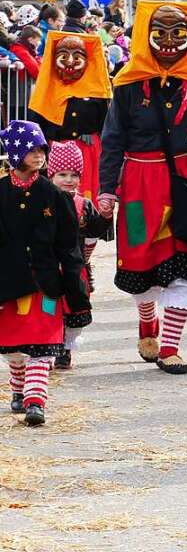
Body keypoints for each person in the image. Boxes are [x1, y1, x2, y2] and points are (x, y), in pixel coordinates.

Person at [97, 1, 187, 376]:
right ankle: (147, 322)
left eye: (179, 33)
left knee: (183, 267)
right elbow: (112, 140)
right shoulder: (127, 83)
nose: (170, 41)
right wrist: (106, 190)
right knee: (141, 267)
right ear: (147, 35)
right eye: (161, 32)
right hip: (140, 184)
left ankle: (171, 347)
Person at [0, 121, 88, 427]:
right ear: (15, 153)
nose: (39, 155)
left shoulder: (55, 196)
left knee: (42, 342)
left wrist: (74, 286)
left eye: (41, 149)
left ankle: (35, 401)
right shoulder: (0, 193)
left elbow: (69, 246)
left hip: (45, 281)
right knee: (13, 348)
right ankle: (18, 388)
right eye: (32, 149)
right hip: (8, 283)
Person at [28, 31, 112, 220]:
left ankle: (86, 244)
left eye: (77, 56)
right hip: (54, 153)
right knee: (54, 205)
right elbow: (35, 127)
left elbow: (107, 126)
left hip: (89, 154)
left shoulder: (97, 91)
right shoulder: (46, 90)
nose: (70, 61)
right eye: (64, 56)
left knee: (87, 208)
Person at [46, 141, 110, 370]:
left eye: (74, 174)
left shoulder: (84, 204)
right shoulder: (44, 200)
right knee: (50, 308)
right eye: (62, 174)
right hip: (49, 268)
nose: (68, 179)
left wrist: (104, 217)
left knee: (74, 308)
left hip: (75, 269)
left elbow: (96, 230)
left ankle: (66, 349)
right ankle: (48, 348)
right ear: (51, 174)